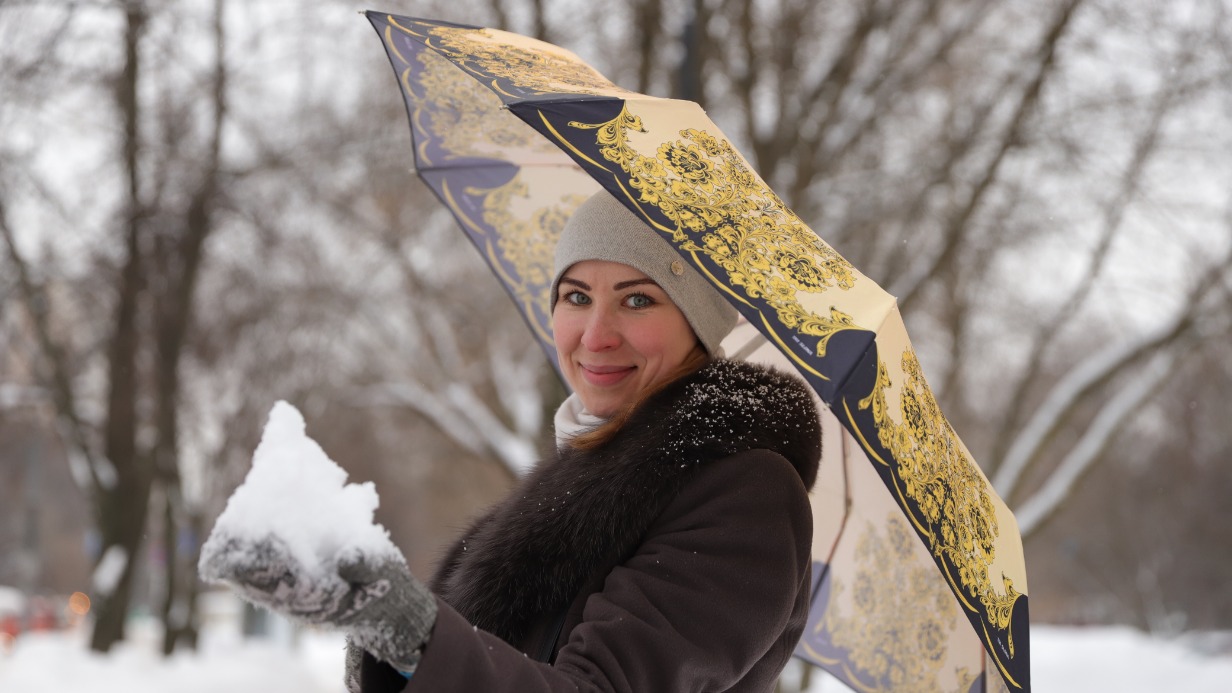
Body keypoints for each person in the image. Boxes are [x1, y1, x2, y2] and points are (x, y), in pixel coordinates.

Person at [203, 190, 822, 692]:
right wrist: (377, 646)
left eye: (638, 300)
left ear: (697, 323)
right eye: (576, 297)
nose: (596, 335)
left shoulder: (746, 494)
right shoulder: (583, 484)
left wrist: (399, 625)